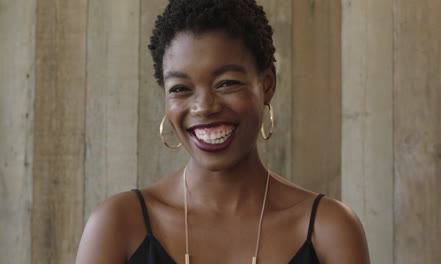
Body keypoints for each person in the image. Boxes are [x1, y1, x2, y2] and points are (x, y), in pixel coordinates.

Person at [75, 0, 370, 263]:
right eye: (180, 88)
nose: (204, 107)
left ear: (267, 84)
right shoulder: (119, 224)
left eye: (227, 83)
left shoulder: (328, 229)